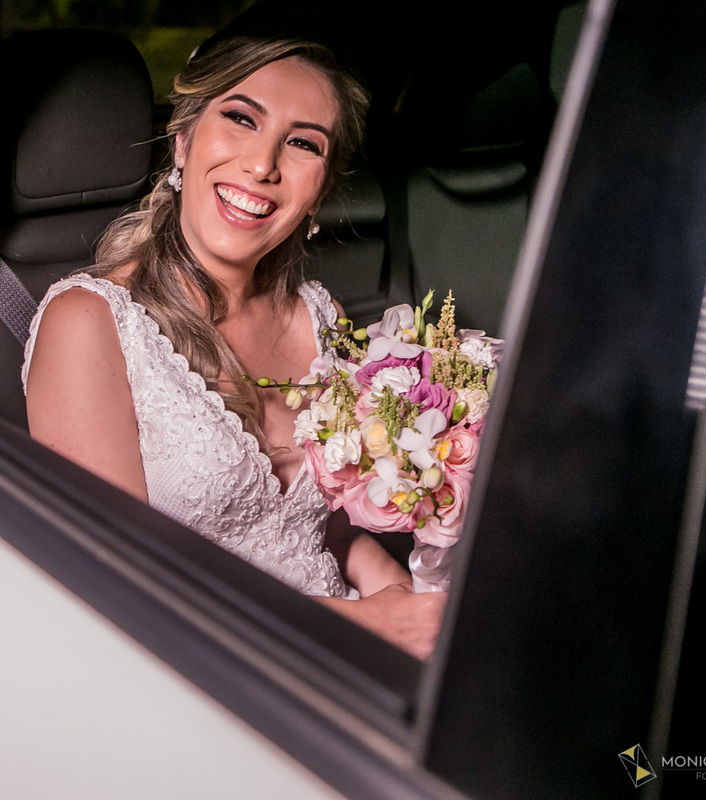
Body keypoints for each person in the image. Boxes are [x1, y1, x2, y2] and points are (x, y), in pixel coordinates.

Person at [23, 36, 445, 659]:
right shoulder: (89, 322)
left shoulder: (316, 316)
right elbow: (116, 589)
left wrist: (406, 600)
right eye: (241, 118)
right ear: (183, 140)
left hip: (345, 648)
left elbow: (316, 524)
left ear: (321, 192)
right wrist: (368, 628)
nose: (261, 165)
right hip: (204, 673)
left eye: (303, 143)